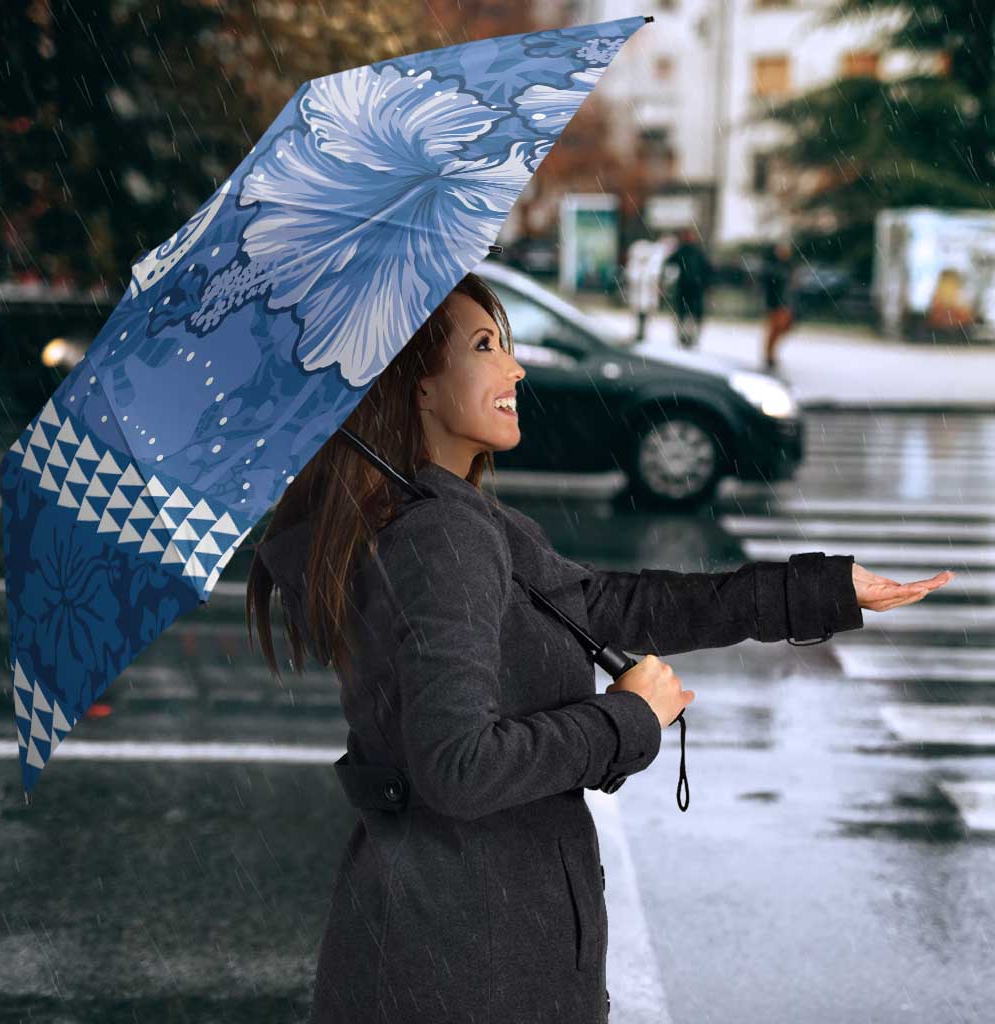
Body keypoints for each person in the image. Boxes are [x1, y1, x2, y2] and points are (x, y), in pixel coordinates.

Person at [246, 271, 951, 1024]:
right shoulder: (441, 536)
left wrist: (821, 590)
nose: (515, 368)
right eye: (485, 346)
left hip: (451, 941)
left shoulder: (447, 518)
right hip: (470, 962)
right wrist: (626, 719)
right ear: (415, 385)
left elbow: (611, 605)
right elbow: (458, 767)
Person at [663, 226, 713, 349]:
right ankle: (684, 337)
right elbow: (669, 264)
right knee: (684, 314)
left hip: (694, 288)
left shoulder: (696, 252)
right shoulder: (683, 251)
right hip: (686, 288)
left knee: (691, 315)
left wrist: (706, 284)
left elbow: (707, 270)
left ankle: (690, 337)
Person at [761, 239, 797, 370]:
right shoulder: (773, 267)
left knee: (783, 328)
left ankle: (770, 354)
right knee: (775, 329)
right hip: (776, 303)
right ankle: (769, 355)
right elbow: (770, 286)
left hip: (785, 303)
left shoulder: (788, 266)